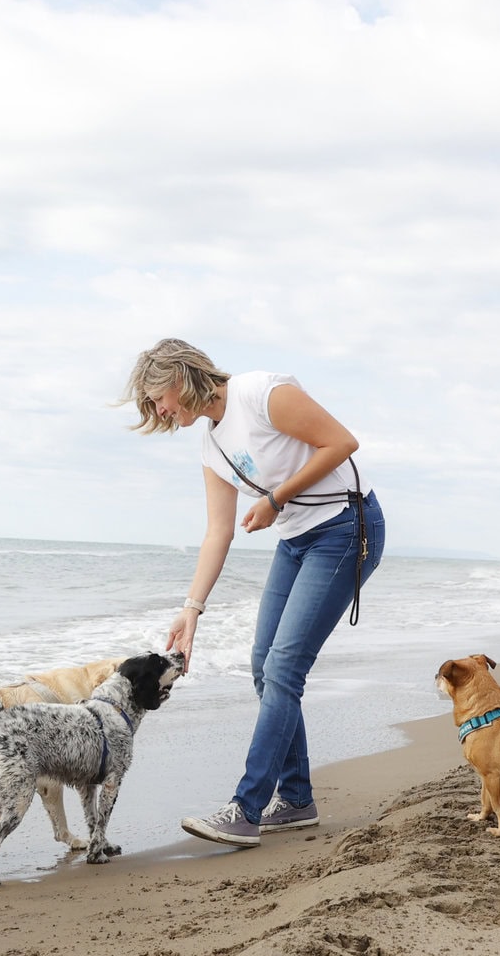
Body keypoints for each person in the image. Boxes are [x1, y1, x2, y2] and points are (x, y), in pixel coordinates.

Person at [121, 338, 385, 849]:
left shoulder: (261, 393)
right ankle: (297, 798)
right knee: (264, 666)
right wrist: (191, 610)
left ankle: (247, 809)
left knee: (285, 668)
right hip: (297, 540)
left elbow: (342, 443)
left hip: (347, 526)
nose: (160, 411)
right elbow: (218, 532)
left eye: (159, 399)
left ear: (179, 377)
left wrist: (274, 498)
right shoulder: (211, 446)